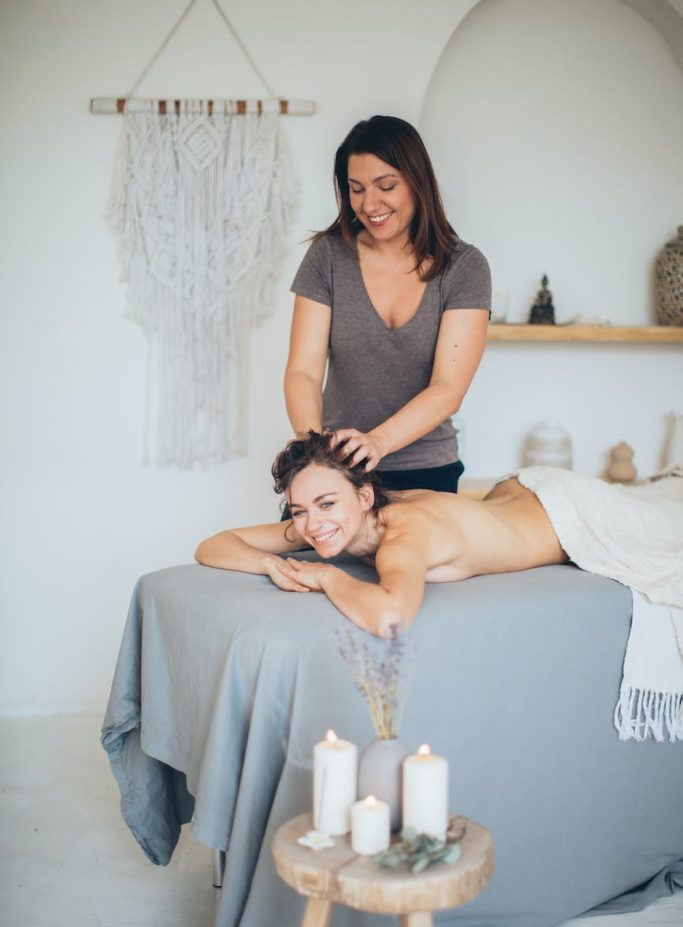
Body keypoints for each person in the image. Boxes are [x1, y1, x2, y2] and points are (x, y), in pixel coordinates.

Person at [284, 115, 491, 495]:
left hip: (427, 472)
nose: (370, 203)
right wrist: (313, 451)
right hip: (339, 471)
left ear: (417, 182)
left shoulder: (464, 267)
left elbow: (448, 387)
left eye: (386, 186)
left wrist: (376, 443)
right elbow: (303, 372)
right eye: (356, 189)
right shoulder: (328, 257)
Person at [195, 432, 568, 637]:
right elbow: (213, 545)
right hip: (518, 491)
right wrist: (269, 563)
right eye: (299, 511)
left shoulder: (403, 538)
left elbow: (391, 618)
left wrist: (327, 576)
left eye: (327, 504)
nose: (312, 525)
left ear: (364, 497)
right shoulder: (327, 522)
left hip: (566, 514)